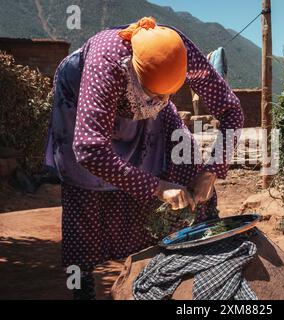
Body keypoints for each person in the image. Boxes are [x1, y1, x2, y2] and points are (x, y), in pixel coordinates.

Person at [44, 17, 243, 299]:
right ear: (134, 73)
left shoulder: (182, 53)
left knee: (184, 157)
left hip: (141, 107)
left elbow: (231, 111)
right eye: (155, 94)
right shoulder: (108, 64)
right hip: (83, 107)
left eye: (169, 94)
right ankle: (83, 284)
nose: (162, 101)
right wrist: (157, 187)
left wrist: (211, 171)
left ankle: (198, 254)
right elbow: (89, 149)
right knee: (87, 190)